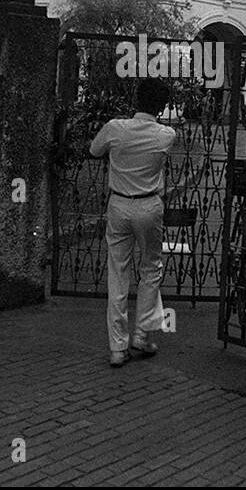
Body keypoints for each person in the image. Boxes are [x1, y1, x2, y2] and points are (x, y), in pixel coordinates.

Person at [90, 78, 178, 368]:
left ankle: (117, 347)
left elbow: (94, 150)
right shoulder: (166, 135)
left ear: (135, 99)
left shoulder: (116, 128)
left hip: (118, 203)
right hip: (149, 205)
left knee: (118, 272)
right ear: (162, 106)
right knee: (151, 268)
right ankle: (142, 334)